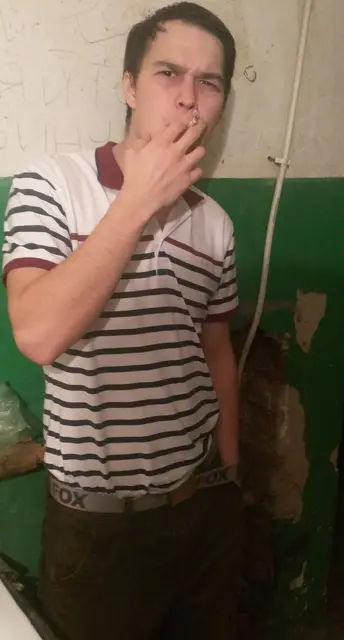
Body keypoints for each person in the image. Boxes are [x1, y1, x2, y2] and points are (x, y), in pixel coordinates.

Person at [2, 3, 242, 639]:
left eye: (209, 82)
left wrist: (230, 471)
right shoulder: (50, 184)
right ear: (130, 86)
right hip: (97, 528)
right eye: (168, 73)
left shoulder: (216, 224)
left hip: (201, 504)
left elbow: (216, 349)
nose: (188, 97)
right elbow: (38, 334)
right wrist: (138, 201)